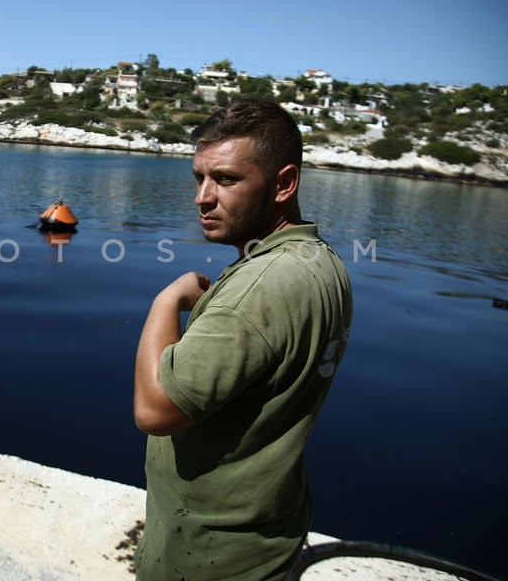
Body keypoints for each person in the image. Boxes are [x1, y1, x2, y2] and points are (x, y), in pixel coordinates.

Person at [133, 99, 352, 580]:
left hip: (210, 553)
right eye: (199, 178)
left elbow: (155, 411)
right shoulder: (321, 261)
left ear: (284, 183)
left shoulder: (258, 289)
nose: (203, 197)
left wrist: (165, 303)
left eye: (227, 179)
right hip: (265, 532)